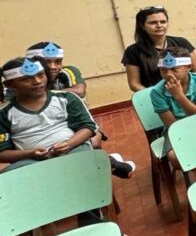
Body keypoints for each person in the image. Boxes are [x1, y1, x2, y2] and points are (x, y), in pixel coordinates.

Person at [0, 57, 133, 187]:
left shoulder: (66, 98)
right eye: (26, 79)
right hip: (30, 161)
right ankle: (109, 163)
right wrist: (30, 153)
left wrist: (68, 144)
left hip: (73, 150)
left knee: (79, 179)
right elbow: (2, 153)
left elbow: (87, 127)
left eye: (41, 75)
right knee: (8, 185)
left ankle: (95, 193)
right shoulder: (4, 114)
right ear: (9, 85)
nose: (37, 81)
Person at [151, 47, 196, 172]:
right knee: (175, 158)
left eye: (174, 69)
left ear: (188, 67)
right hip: (176, 128)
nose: (169, 75)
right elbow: (171, 124)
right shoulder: (157, 93)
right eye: (163, 70)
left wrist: (179, 96)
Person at [122, 6, 196, 91]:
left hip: (188, 93)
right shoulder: (132, 51)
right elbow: (134, 84)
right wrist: (157, 96)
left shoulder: (181, 42)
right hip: (156, 99)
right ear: (142, 26)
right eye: (153, 23)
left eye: (163, 22)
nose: (159, 25)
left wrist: (189, 90)